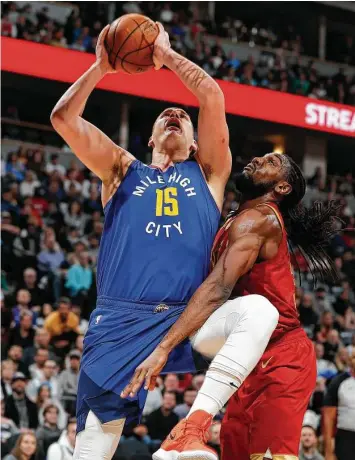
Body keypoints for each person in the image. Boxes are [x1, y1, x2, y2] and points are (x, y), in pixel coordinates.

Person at [50, 20, 277, 460]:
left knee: (258, 311)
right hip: (118, 323)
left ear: (195, 143)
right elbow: (62, 119)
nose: (175, 116)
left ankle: (189, 430)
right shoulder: (120, 169)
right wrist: (101, 67)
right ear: (151, 137)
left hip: (184, 320)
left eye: (183, 118)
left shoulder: (209, 174)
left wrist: (165, 56)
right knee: (92, 451)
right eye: (164, 117)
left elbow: (212, 95)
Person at [126, 153, 345, 460]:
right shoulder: (234, 218)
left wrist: (164, 348)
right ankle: (186, 435)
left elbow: (217, 289)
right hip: (244, 357)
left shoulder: (261, 219)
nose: (257, 158)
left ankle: (190, 428)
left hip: (282, 356)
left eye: (269, 162)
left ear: (281, 188)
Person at [323, 349, 355, 460]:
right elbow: (328, 419)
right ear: (351, 361)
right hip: (346, 438)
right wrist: (328, 451)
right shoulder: (339, 382)